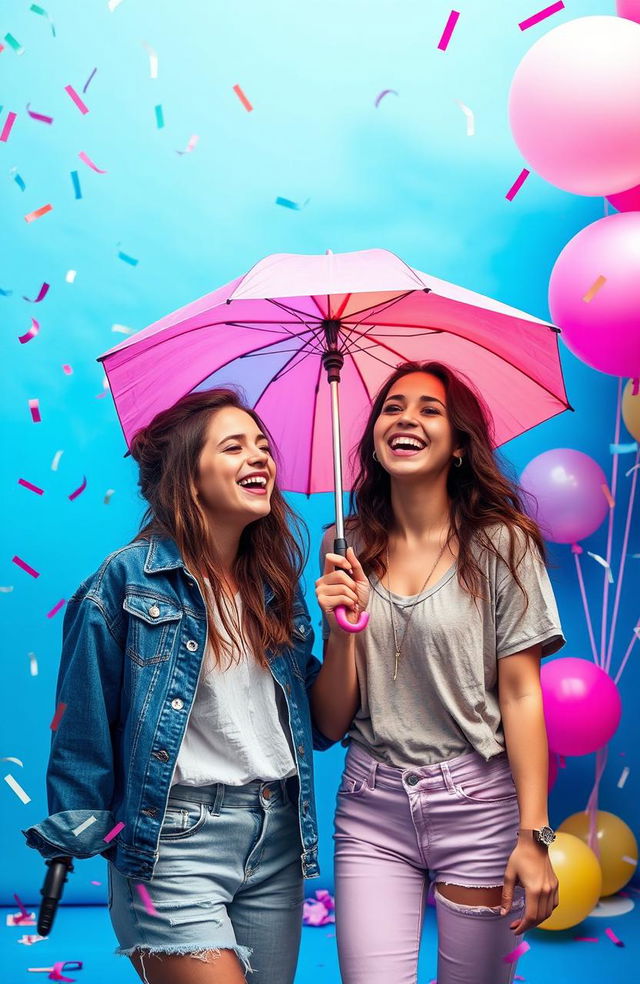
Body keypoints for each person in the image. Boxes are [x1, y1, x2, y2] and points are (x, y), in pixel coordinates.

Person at [24, 388, 338, 984]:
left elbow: (319, 727)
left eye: (263, 445)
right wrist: (78, 827)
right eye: (235, 446)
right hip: (173, 844)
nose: (260, 457)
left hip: (275, 840)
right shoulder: (122, 582)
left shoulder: (275, 587)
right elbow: (81, 719)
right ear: (189, 478)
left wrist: (343, 629)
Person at [315, 361, 564, 984]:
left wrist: (537, 836)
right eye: (393, 407)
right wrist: (344, 629)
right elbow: (328, 721)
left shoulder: (503, 544)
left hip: (478, 807)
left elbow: (523, 694)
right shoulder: (343, 545)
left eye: (430, 410)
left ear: (458, 445)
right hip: (372, 807)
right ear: (373, 433)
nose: (406, 419)